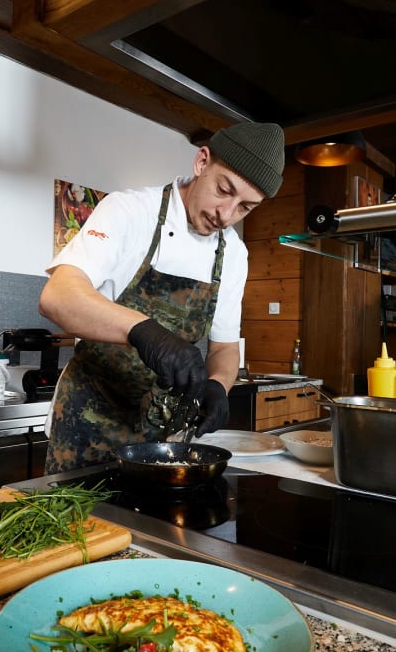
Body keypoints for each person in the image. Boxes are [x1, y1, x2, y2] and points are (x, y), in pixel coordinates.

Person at [38, 121, 286, 475]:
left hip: (162, 437)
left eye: (245, 207)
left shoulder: (233, 253)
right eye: (223, 190)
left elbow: (225, 348)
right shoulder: (128, 211)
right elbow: (57, 296)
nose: (226, 214)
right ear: (201, 162)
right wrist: (144, 331)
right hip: (85, 424)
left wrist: (218, 385)